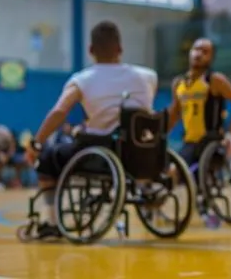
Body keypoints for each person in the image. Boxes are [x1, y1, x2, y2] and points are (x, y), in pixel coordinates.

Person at [24, 21, 158, 240]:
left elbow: (59, 112)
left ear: (91, 50)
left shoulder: (82, 80)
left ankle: (52, 222)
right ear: (120, 49)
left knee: (48, 158)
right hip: (141, 153)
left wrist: (37, 143)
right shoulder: (148, 76)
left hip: (101, 154)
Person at [167, 37, 231, 228]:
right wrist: (160, 135)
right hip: (190, 142)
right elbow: (175, 113)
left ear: (211, 58)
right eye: (196, 49)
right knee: (169, 169)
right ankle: (155, 202)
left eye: (205, 51)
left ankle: (205, 207)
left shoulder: (215, 80)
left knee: (184, 168)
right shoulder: (179, 83)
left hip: (211, 140)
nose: (198, 53)